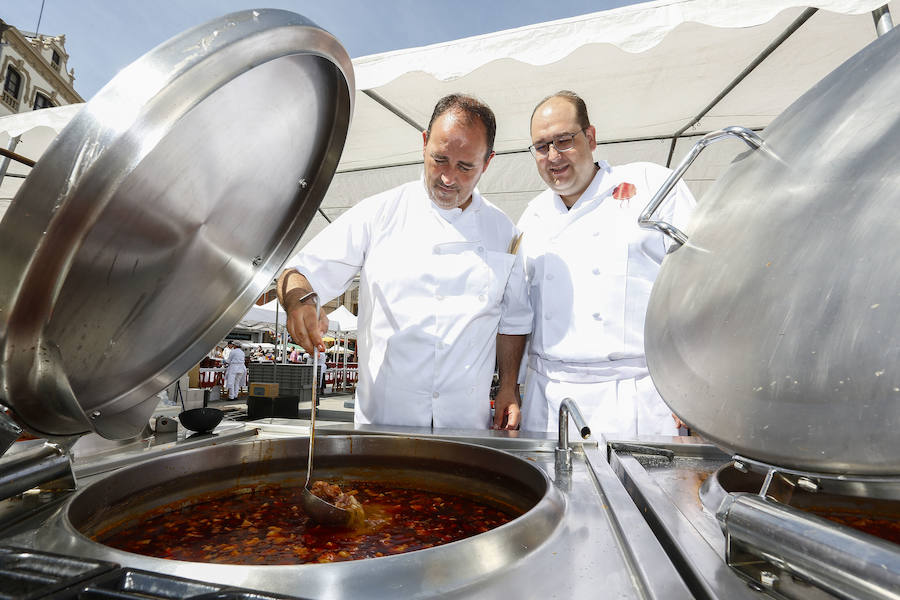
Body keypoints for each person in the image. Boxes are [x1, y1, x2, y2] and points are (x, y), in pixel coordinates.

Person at [277, 94, 532, 430]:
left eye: (465, 166)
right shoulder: (378, 213)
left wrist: (509, 388)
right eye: (439, 159)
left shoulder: (504, 232)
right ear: (424, 143)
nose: (448, 177)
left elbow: (512, 321)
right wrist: (300, 302)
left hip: (465, 423)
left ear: (488, 162)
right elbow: (296, 273)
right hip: (384, 421)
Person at [517, 90, 695, 437]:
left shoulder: (651, 184)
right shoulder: (531, 216)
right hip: (549, 403)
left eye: (564, 140)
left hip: (638, 399)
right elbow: (516, 313)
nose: (553, 156)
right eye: (541, 146)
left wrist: (696, 388)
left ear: (591, 137)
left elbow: (702, 285)